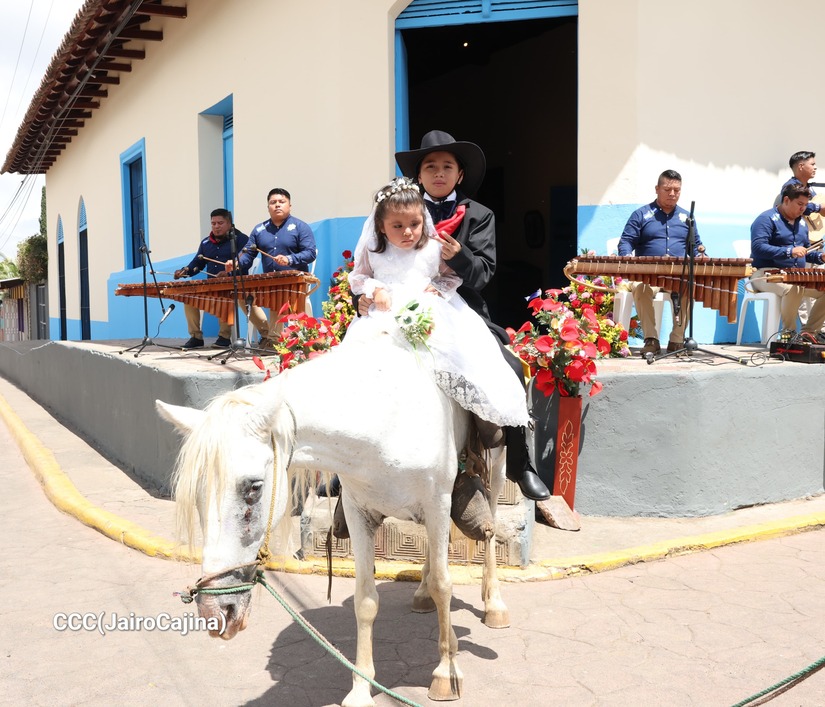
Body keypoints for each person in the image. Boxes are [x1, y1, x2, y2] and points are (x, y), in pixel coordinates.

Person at [393, 130, 549, 501]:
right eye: (431, 167)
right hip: (404, 304)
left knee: (511, 367)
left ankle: (520, 463)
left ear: (460, 174)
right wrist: (363, 299)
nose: (439, 173)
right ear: (420, 175)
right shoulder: (401, 211)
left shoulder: (479, 215)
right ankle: (348, 464)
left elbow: (482, 274)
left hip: (460, 307)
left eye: (448, 166)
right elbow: (376, 256)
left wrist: (458, 255)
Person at [345, 176, 530, 430]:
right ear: (381, 225)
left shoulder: (433, 246)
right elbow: (359, 276)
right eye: (397, 226)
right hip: (384, 316)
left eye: (414, 224)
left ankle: (489, 433)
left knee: (474, 363)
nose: (407, 231)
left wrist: (439, 288)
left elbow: (452, 275)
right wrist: (374, 289)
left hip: (430, 312)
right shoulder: (374, 248)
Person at [617, 169, 704, 357]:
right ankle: (651, 339)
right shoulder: (641, 215)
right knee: (640, 288)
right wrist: (627, 257)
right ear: (657, 189)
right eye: (667, 189)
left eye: (677, 190)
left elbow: (695, 245)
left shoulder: (687, 217)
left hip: (676, 275)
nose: (672, 194)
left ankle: (676, 340)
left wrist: (700, 254)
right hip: (648, 275)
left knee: (689, 288)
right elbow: (626, 241)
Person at [231, 188, 317, 347]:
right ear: (268, 207)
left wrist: (290, 258)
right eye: (273, 202)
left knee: (280, 295)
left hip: (294, 282)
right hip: (269, 282)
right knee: (241, 296)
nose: (277, 205)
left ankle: (274, 341)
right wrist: (236, 263)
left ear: (289, 205)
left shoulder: (300, 227)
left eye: (281, 202)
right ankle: (267, 333)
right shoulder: (259, 229)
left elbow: (310, 253)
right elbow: (248, 255)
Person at [750, 182, 825, 338]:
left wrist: (819, 257)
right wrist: (789, 252)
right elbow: (758, 247)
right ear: (786, 200)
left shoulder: (803, 224)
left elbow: (805, 252)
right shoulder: (766, 219)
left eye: (805, 205)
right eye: (799, 204)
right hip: (765, 275)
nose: (803, 209)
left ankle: (809, 332)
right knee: (793, 288)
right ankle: (788, 334)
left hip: (794, 276)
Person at [174, 208, 248, 349]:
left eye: (220, 223)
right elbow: (197, 263)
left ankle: (224, 337)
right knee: (188, 298)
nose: (216, 226)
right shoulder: (206, 243)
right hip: (211, 285)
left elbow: (245, 262)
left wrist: (228, 274)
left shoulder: (240, 239)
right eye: (213, 223)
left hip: (233, 284)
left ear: (229, 224)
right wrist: (185, 271)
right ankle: (196, 337)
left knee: (225, 296)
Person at [776, 151, 824, 328]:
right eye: (812, 164)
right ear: (801, 166)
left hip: (812, 245)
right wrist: (818, 207)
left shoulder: (810, 188)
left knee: (818, 285)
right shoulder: (790, 186)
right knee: (802, 287)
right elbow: (798, 206)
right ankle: (807, 328)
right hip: (798, 247)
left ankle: (816, 328)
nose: (815, 167)